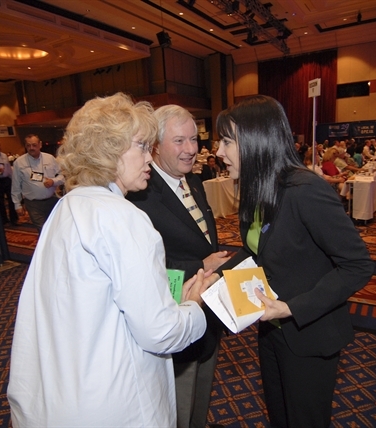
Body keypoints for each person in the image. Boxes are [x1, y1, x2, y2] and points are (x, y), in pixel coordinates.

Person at [7, 93, 216, 427]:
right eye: (142, 146)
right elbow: (161, 332)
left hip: (63, 394)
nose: (149, 157)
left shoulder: (66, 207)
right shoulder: (124, 217)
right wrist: (194, 305)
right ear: (110, 150)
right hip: (117, 403)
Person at [215, 95, 374, 427]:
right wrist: (214, 279)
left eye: (227, 141)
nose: (218, 152)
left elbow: (357, 265)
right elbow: (255, 251)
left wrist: (292, 308)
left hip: (309, 334)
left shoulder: (305, 190)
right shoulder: (258, 189)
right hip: (272, 331)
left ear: (256, 140)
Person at [127, 104, 230, 428]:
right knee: (177, 408)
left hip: (206, 314)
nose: (191, 149)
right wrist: (199, 265)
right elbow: (142, 262)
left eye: (194, 139)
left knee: (200, 400)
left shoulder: (193, 181)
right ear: (156, 146)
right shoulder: (140, 193)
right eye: (179, 141)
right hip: (172, 319)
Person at [11, 134, 65, 232]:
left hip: (51, 201)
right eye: (28, 145)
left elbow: (62, 176)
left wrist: (53, 181)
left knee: (55, 229)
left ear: (40, 144)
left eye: (34, 145)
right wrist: (17, 205)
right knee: (43, 230)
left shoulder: (50, 158)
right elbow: (16, 185)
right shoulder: (19, 162)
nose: (31, 148)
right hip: (33, 204)